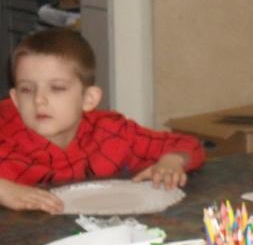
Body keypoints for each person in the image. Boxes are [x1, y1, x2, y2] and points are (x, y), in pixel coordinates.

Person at [0, 29, 205, 214]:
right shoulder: (5, 137)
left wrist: (171, 162)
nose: (38, 100)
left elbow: (187, 144)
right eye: (27, 89)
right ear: (15, 99)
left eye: (57, 88)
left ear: (88, 99)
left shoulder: (110, 131)